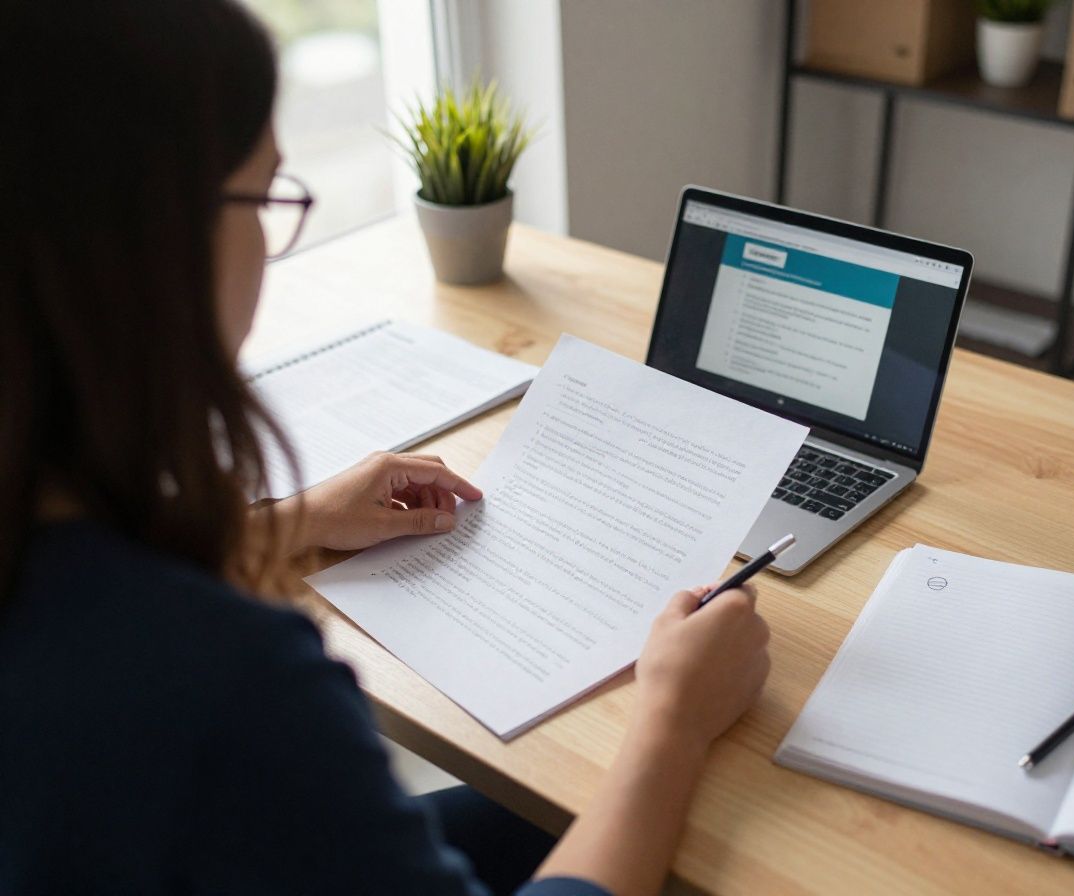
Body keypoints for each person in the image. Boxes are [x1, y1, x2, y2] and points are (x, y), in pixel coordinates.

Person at [0, 3, 771, 895]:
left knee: (542, 809)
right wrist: (671, 721)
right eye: (264, 196)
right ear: (153, 244)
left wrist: (294, 521)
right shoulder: (233, 684)